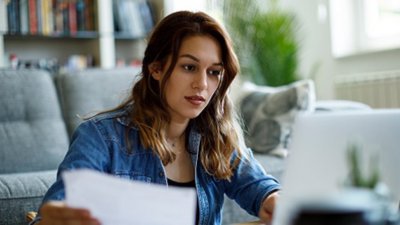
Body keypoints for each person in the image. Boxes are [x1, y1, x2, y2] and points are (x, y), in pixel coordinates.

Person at [30, 10, 280, 225]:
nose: (202, 84)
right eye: (189, 67)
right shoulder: (100, 137)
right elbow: (54, 213)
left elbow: (260, 188)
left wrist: (273, 199)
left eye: (214, 72)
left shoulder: (217, 137)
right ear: (156, 69)